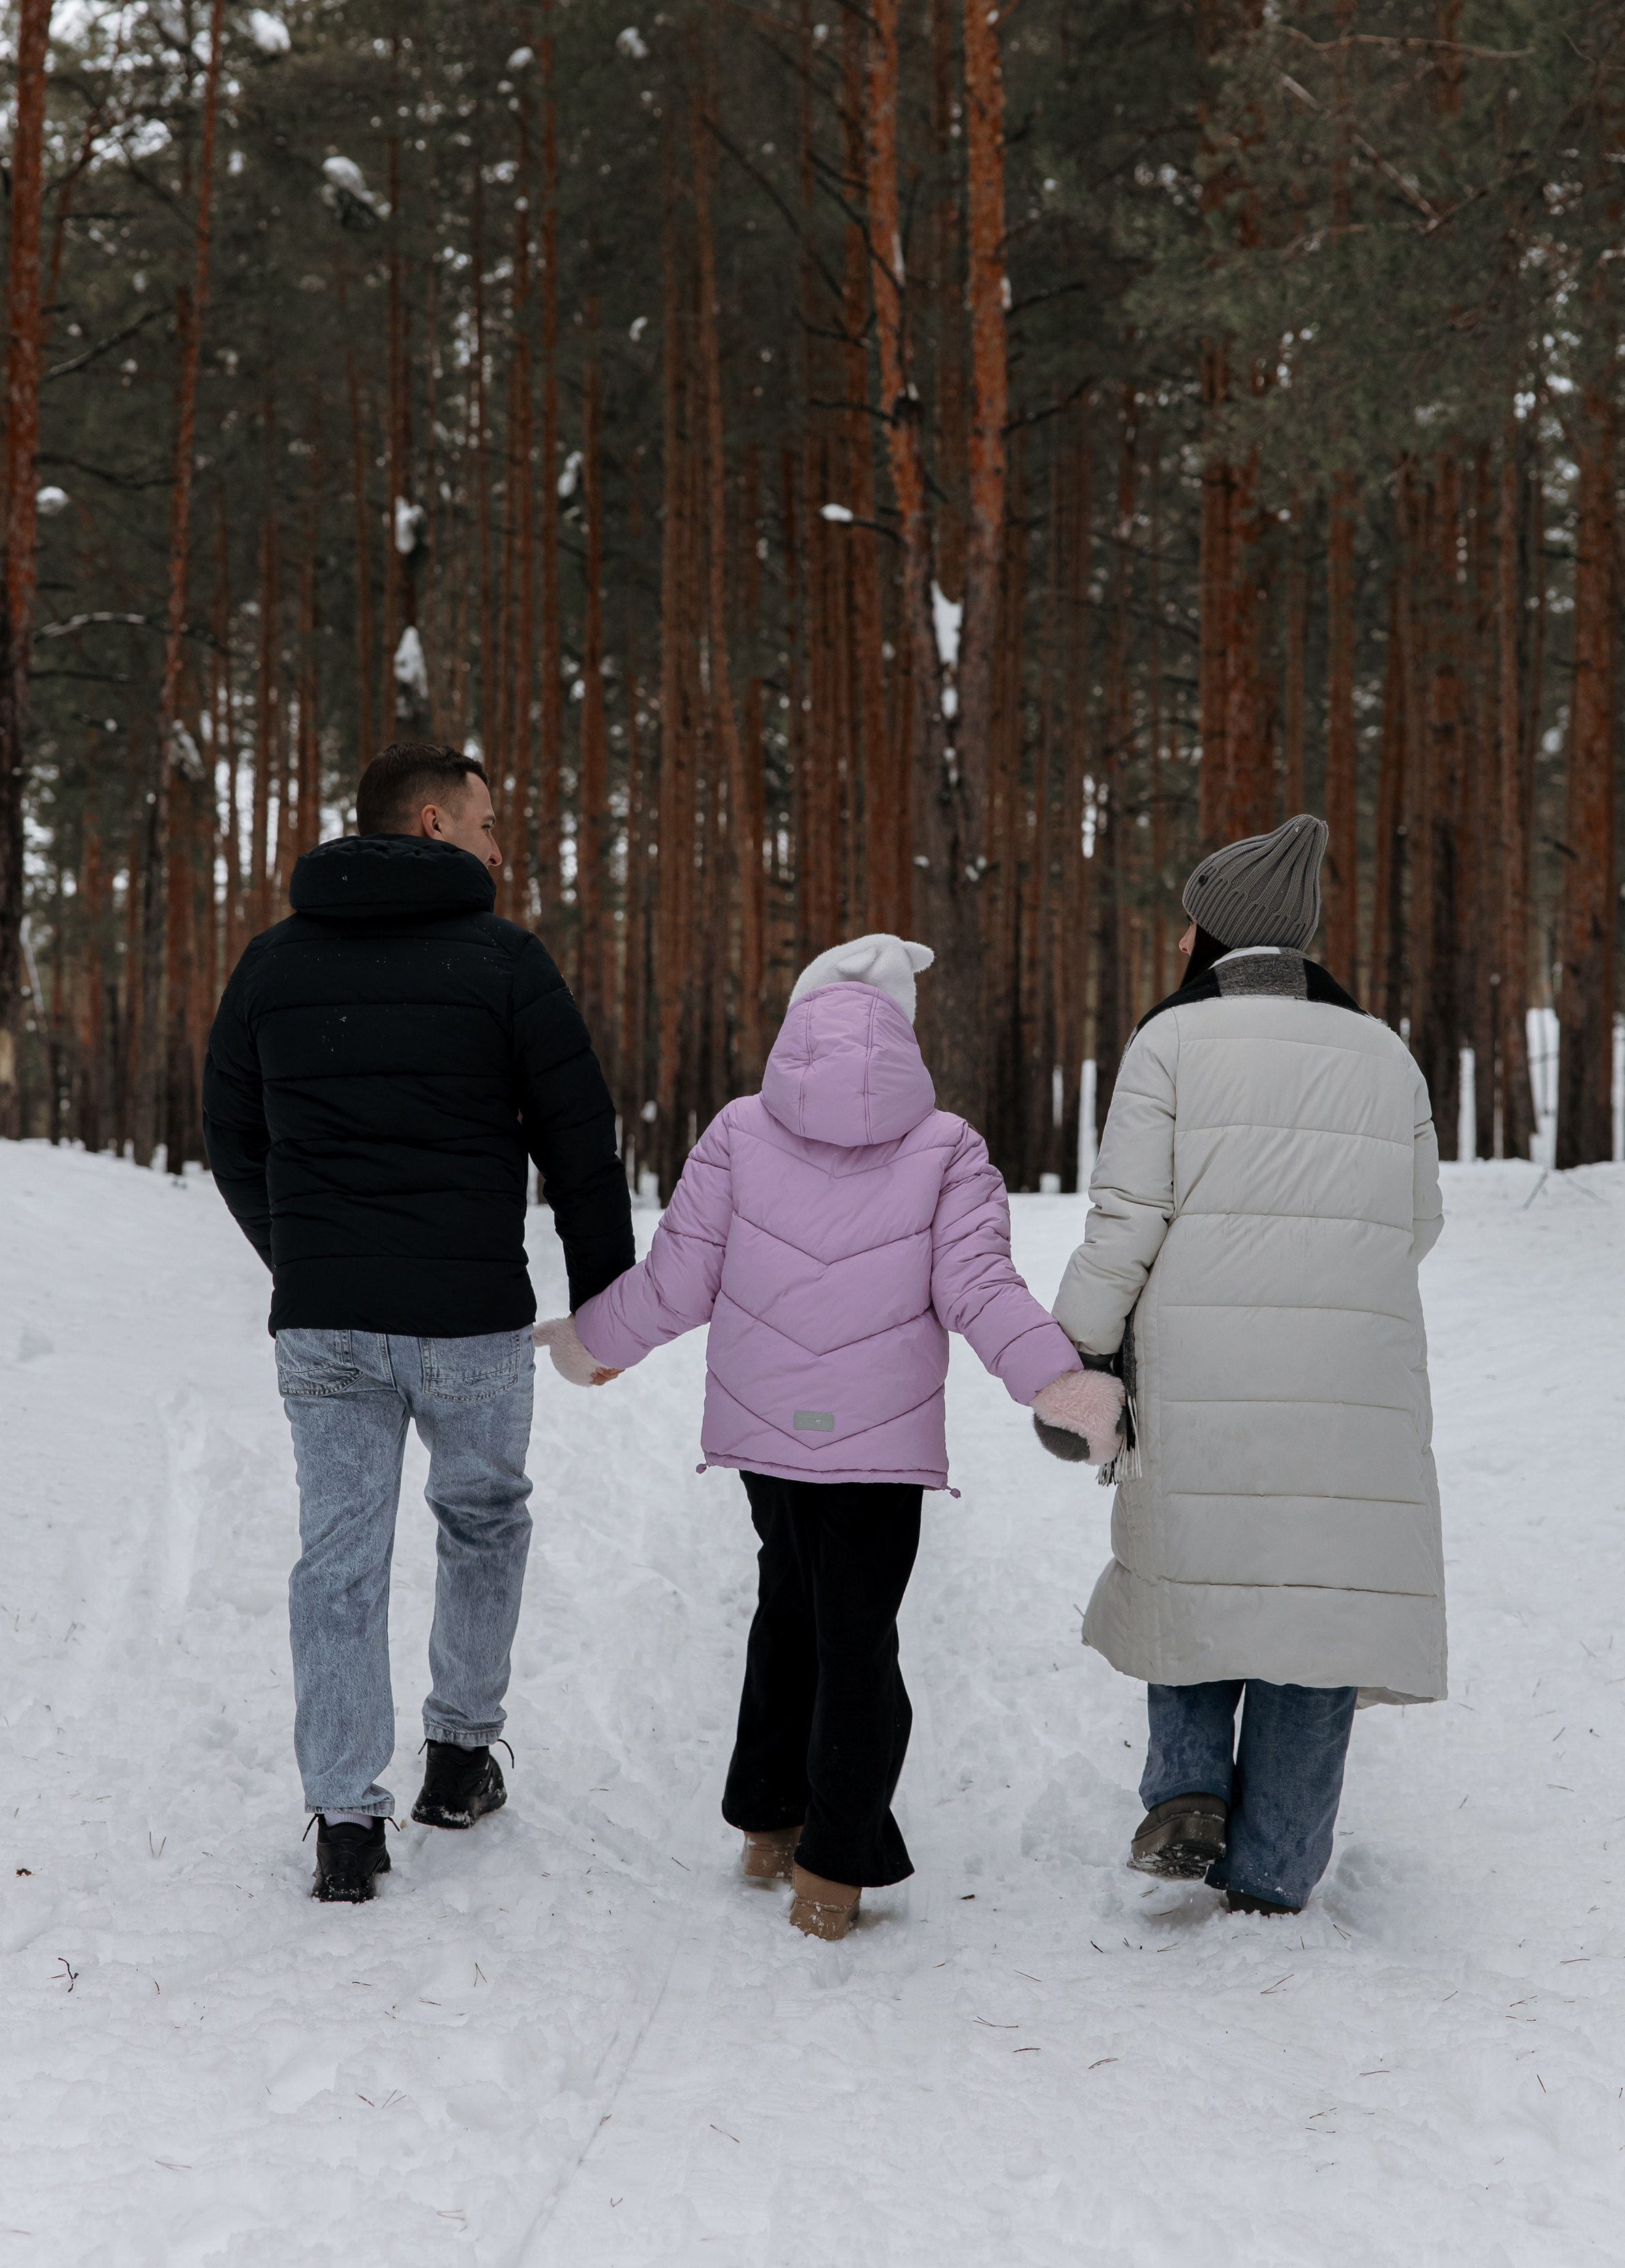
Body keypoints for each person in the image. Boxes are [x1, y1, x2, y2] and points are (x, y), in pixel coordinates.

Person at [536, 934, 1123, 1941]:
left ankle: (770, 1822)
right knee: (857, 1637)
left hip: (767, 1439)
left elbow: (676, 1282)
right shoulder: (949, 1147)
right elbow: (979, 1288)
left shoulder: (735, 1132)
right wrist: (1058, 1382)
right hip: (878, 1446)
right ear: (902, 1030)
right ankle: (833, 1871)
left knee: (789, 1606)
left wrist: (594, 1345)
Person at [202, 741, 633, 1903]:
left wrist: (299, 1254)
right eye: (491, 822)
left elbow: (230, 1135)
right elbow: (580, 1142)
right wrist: (608, 1306)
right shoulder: (504, 962)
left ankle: (346, 1823)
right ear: (434, 823)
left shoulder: (272, 964)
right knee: (483, 1520)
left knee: (338, 1556)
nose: (503, 843)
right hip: (467, 1321)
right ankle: (456, 1759)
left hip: (329, 1319)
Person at [1050, 814, 1445, 1916]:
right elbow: (1418, 1220)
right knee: (1318, 1603)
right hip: (1354, 1376)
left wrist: (1077, 1347)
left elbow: (1125, 1218)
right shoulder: (1384, 1048)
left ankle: (1186, 1792)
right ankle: (1275, 1864)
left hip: (1204, 1364)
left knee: (1195, 1563)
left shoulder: (1170, 1042)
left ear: (1211, 935)